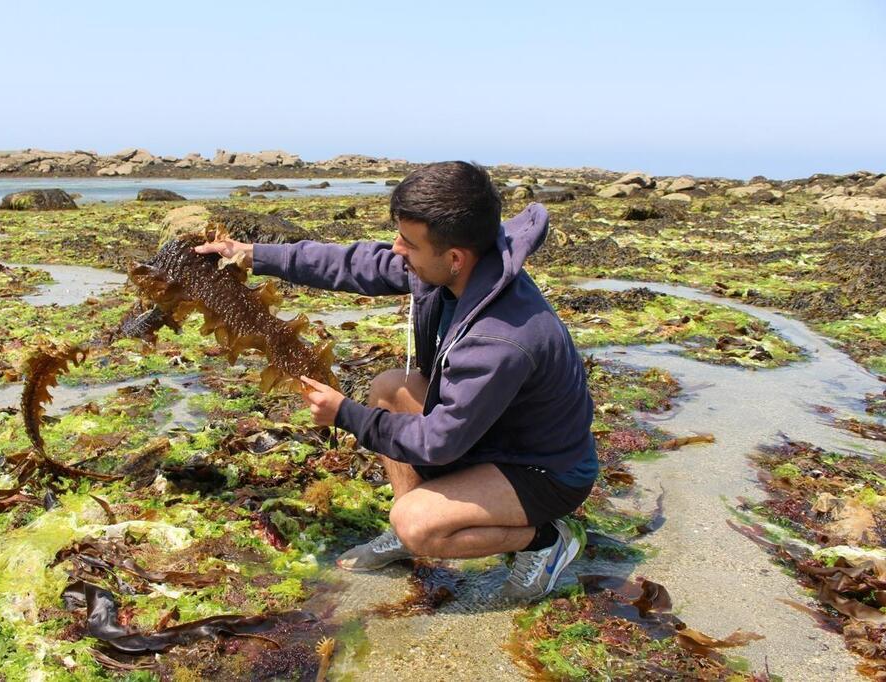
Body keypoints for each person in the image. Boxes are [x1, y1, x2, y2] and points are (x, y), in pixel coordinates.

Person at [195, 161, 597, 601]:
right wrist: (253, 254)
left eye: (407, 242)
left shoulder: (501, 338)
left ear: (454, 257)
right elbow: (353, 264)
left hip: (544, 469)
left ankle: (545, 540)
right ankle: (411, 530)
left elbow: (438, 442)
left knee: (417, 523)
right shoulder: (456, 262)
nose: (396, 248)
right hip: (493, 433)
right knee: (391, 386)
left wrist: (344, 414)